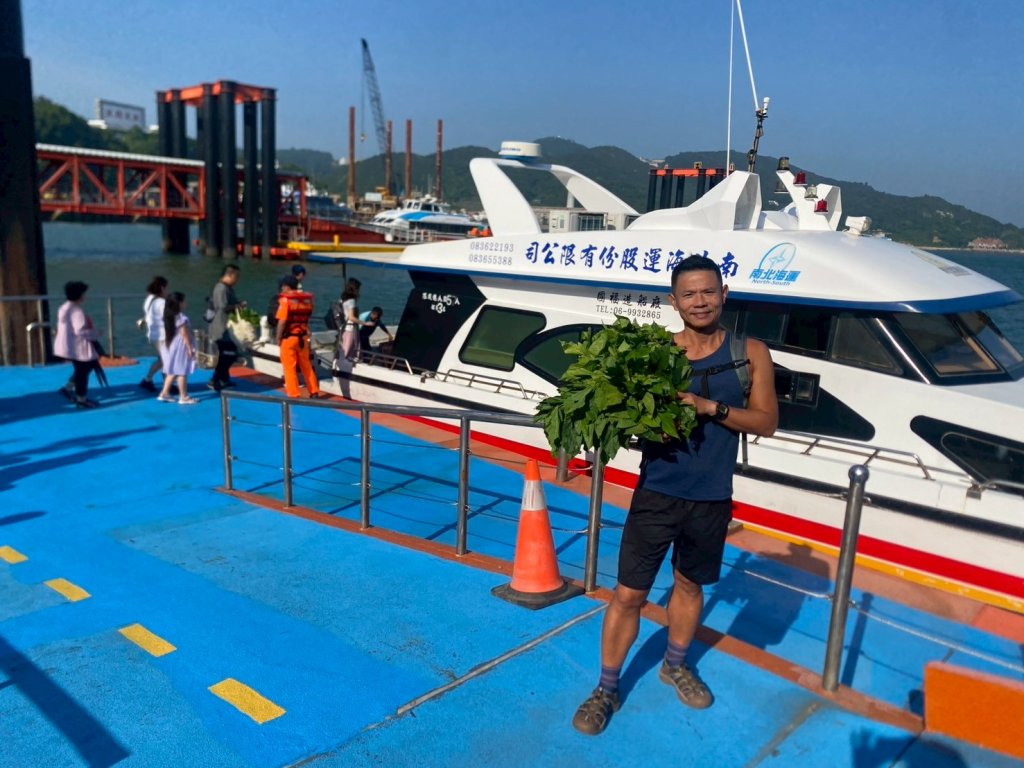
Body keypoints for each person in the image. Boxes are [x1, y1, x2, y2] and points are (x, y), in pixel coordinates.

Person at [571, 255, 778, 735]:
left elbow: (766, 421)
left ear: (724, 294)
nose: (700, 301)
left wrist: (710, 407)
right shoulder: (655, 352)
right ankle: (605, 688)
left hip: (712, 496)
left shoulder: (751, 353)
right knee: (628, 594)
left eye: (709, 292)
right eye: (689, 294)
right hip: (658, 491)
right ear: (674, 301)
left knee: (690, 585)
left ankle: (676, 664)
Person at [275, 275, 324, 399]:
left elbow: (282, 321)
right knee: (306, 365)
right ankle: (314, 391)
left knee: (289, 367)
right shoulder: (306, 300)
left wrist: (278, 337)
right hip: (303, 337)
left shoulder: (285, 300)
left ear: (286, 286)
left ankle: (293, 394)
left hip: (289, 338)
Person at [53, 280, 100, 409]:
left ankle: (68, 388)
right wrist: (95, 333)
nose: (86, 296)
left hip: (67, 345)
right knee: (83, 373)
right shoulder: (77, 311)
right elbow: (80, 331)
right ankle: (81, 400)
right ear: (79, 295)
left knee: (82, 370)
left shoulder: (64, 307)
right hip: (78, 348)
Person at [207, 264, 244, 391]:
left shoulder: (228, 288)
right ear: (230, 275)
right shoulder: (221, 288)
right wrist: (237, 306)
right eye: (236, 276)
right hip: (221, 328)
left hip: (228, 327)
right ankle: (216, 379)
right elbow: (222, 307)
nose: (238, 280)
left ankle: (224, 378)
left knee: (230, 353)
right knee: (227, 354)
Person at [157, 292, 198, 405]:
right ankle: (183, 396)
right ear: (179, 303)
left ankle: (164, 393)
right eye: (184, 301)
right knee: (182, 371)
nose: (186, 303)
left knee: (173, 371)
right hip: (180, 346)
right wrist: (190, 348)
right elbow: (184, 334)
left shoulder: (167, 316)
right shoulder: (181, 317)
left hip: (169, 345)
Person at [139, 276, 168, 392]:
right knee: (166, 360)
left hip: (153, 334)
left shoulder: (149, 299)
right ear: (162, 288)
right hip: (162, 334)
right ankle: (166, 385)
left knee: (163, 359)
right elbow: (168, 318)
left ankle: (148, 380)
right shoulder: (162, 302)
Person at [334, 278, 370, 365]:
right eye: (358, 289)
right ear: (355, 289)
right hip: (350, 329)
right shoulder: (352, 301)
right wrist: (365, 323)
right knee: (348, 350)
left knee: (344, 349)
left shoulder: (343, 299)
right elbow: (351, 317)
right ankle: (342, 368)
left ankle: (340, 365)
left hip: (344, 328)